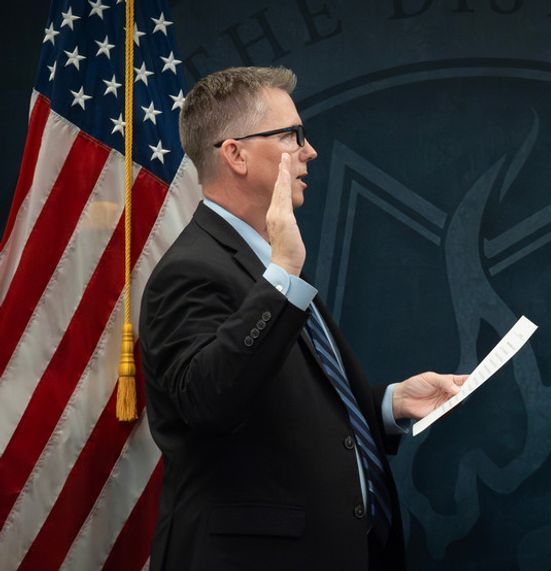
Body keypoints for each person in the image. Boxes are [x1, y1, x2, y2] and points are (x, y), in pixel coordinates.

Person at [139, 66, 465, 571]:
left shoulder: (262, 263)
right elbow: (209, 402)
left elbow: (285, 406)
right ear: (236, 154)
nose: (309, 151)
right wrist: (284, 275)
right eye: (292, 134)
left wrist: (389, 405)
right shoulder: (193, 271)